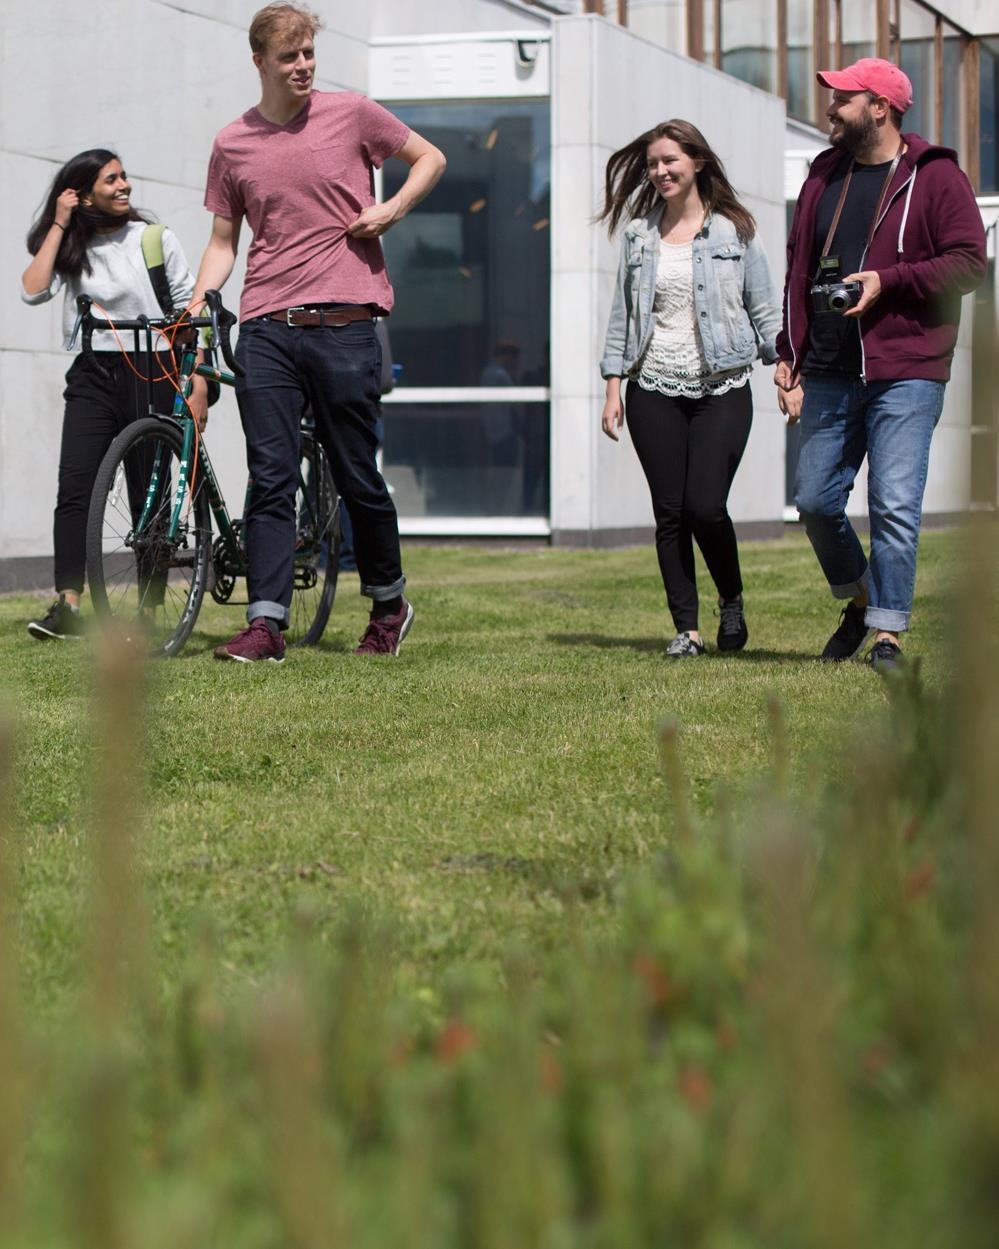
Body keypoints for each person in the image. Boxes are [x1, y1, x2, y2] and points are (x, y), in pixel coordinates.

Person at [193, 1, 446, 664]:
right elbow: (224, 241)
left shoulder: (352, 113)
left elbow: (430, 159)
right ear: (260, 63)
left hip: (345, 323)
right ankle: (266, 624)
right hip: (266, 326)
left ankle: (388, 604)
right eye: (289, 57)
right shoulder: (231, 144)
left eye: (308, 54)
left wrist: (390, 209)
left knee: (355, 471)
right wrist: (198, 305)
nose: (303, 66)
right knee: (270, 475)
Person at [775, 58, 987, 672]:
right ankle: (862, 597)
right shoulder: (824, 174)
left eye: (843, 98)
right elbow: (798, 271)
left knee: (893, 503)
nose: (830, 108)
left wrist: (887, 282)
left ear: (881, 107)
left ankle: (887, 636)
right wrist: (791, 353)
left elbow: (970, 262)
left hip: (907, 368)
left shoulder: (937, 175)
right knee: (815, 502)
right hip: (831, 368)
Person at [599, 120, 784, 658]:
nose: (659, 172)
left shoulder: (735, 230)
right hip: (652, 383)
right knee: (670, 511)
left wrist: (785, 369)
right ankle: (688, 629)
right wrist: (613, 385)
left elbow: (764, 308)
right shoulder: (639, 236)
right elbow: (621, 316)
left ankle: (731, 599)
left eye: (669, 161)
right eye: (653, 164)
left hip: (722, 385)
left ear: (697, 162)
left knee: (706, 506)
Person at [20, 149, 206, 642]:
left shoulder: (153, 238)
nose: (125, 185)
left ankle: (146, 615)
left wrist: (199, 376)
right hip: (93, 373)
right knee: (76, 485)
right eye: (111, 179)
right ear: (82, 193)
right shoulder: (71, 245)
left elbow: (189, 307)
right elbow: (32, 289)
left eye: (125, 176)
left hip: (152, 367)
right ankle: (70, 606)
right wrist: (60, 222)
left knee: (151, 490)